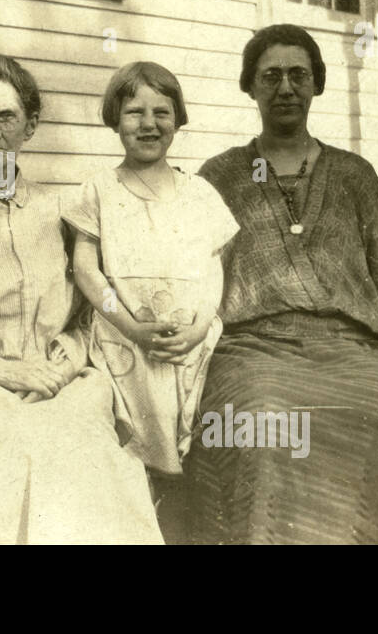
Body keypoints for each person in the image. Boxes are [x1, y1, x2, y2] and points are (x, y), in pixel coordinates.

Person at [0, 51, 163, 544]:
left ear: (29, 127)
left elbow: (88, 316)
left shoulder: (61, 211)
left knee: (103, 458)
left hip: (60, 383)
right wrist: (0, 367)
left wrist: (66, 362)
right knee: (27, 453)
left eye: (8, 118)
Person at [189, 23, 378, 544]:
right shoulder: (219, 177)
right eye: (270, 76)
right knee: (264, 424)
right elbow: (193, 276)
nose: (285, 87)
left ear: (317, 83)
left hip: (350, 348)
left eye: (299, 75)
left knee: (361, 412)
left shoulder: (357, 176)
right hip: (251, 350)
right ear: (249, 86)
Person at [62, 62, 239, 477]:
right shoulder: (99, 191)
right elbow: (87, 270)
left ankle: (185, 509)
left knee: (209, 429)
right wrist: (130, 326)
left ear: (177, 119)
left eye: (161, 112)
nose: (149, 124)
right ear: (115, 120)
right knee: (130, 447)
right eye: (134, 113)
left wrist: (200, 325)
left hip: (188, 338)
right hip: (123, 336)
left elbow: (213, 270)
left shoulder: (198, 193)